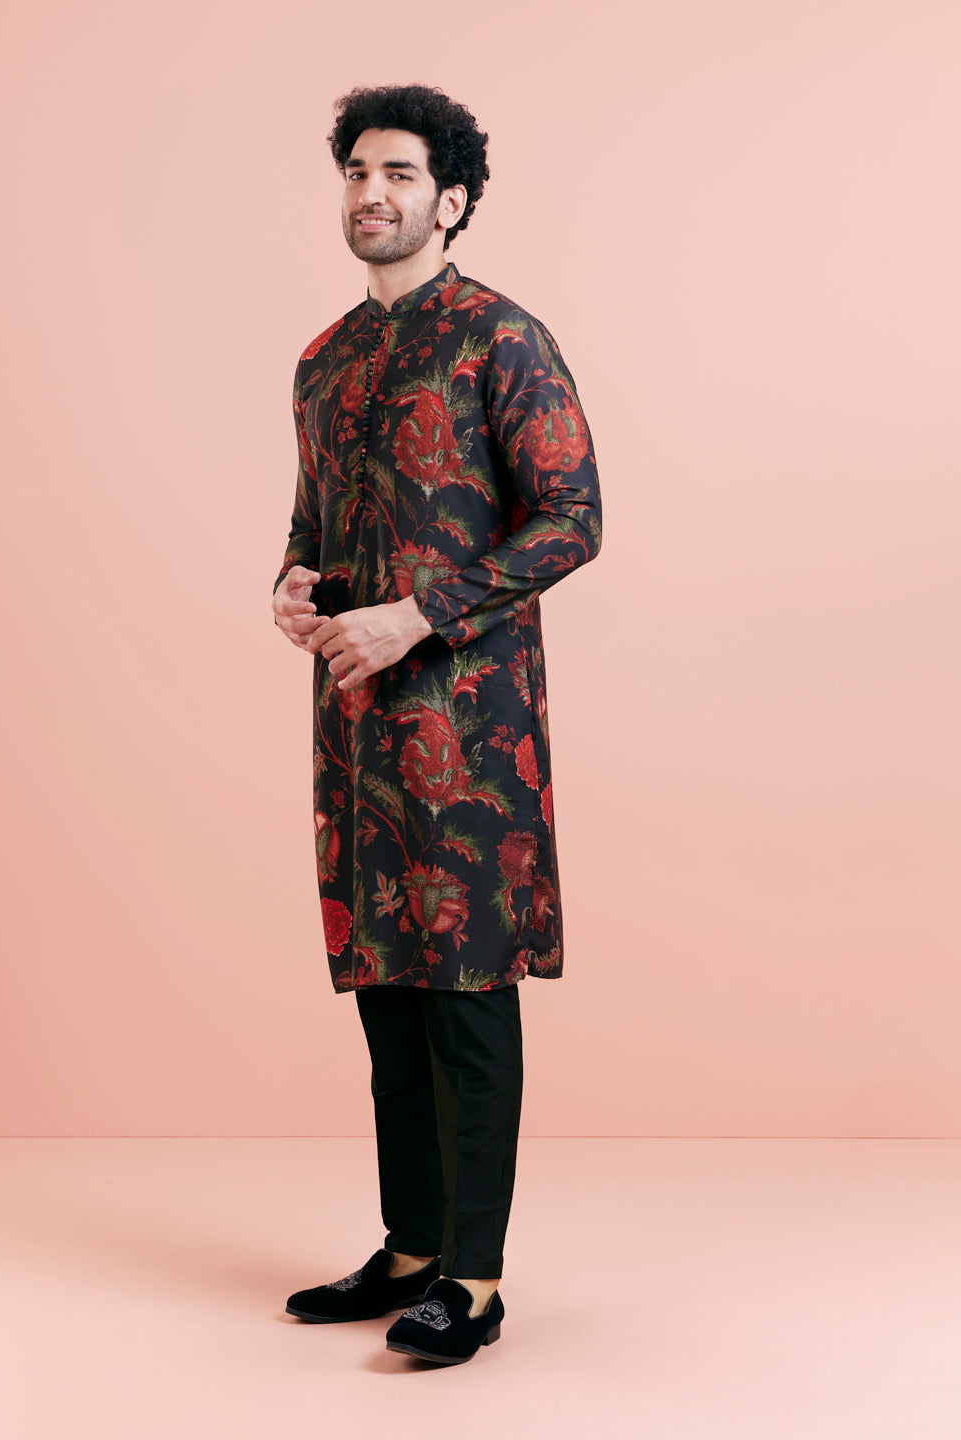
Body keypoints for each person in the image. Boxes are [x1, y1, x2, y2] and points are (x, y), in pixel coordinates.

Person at [271, 83, 602, 1365]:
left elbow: (571, 517)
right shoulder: (323, 359)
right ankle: (409, 1249)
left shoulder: (501, 338)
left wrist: (419, 616)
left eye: (401, 173)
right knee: (386, 993)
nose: (373, 193)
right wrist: (294, 584)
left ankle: (473, 1280)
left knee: (465, 993)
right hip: (354, 724)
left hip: (469, 724)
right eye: (359, 171)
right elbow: (313, 521)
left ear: (451, 200)